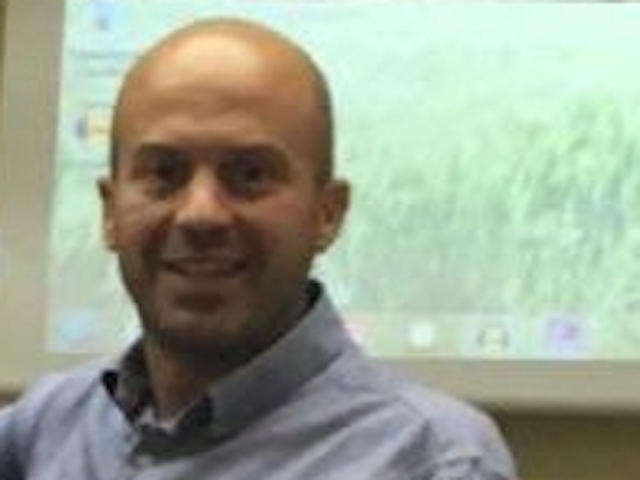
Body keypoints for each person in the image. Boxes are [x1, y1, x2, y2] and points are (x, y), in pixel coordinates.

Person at [0, 19, 517, 479]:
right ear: (110, 212)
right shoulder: (44, 429)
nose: (200, 213)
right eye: (164, 173)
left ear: (327, 213)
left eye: (249, 175)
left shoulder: (430, 459)